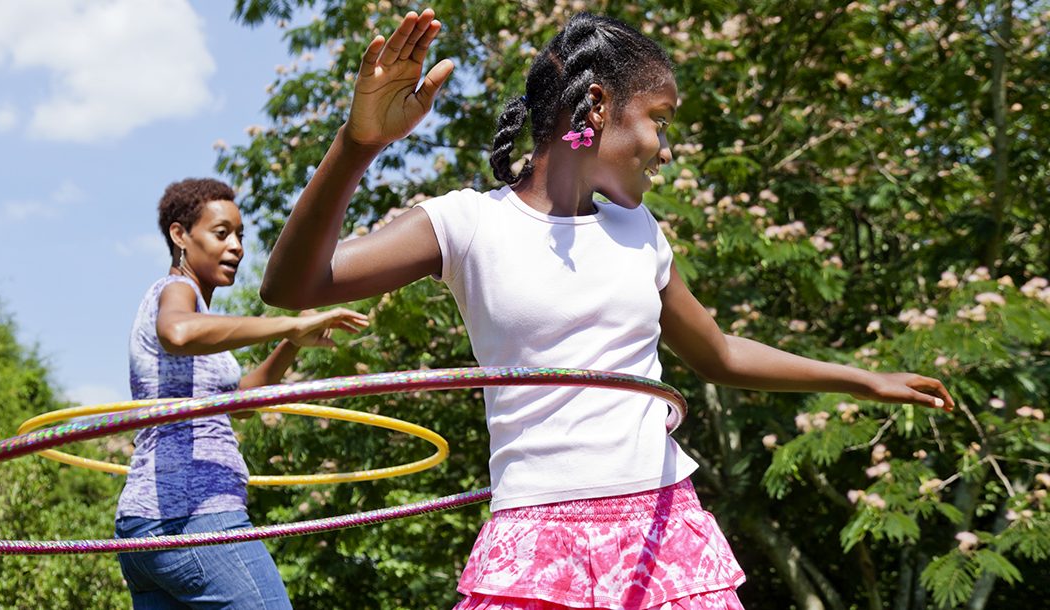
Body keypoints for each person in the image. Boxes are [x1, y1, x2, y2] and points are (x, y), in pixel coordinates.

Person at [259, 10, 954, 610]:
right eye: (658, 120)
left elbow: (716, 353)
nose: (665, 147)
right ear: (596, 107)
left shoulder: (639, 230)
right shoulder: (466, 224)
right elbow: (293, 287)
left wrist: (860, 379)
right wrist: (358, 146)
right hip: (537, 538)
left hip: (663, 527)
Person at [114, 177, 369, 609]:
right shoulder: (176, 292)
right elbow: (177, 332)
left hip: (144, 528)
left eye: (239, 235)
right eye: (221, 233)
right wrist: (287, 323)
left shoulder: (198, 315)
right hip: (195, 514)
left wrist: (292, 343)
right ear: (180, 235)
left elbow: (242, 402)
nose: (236, 246)